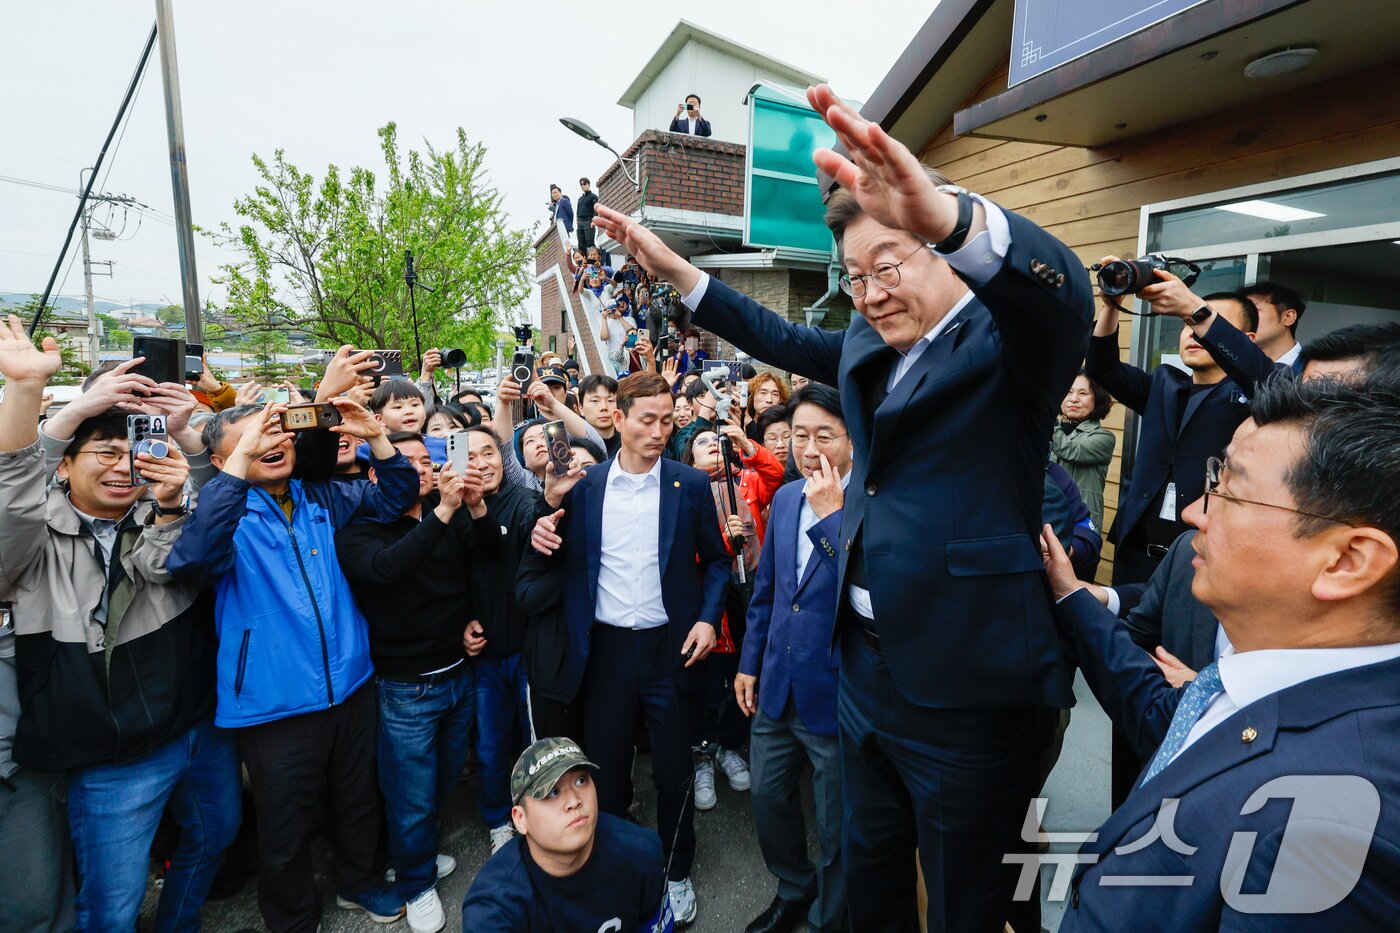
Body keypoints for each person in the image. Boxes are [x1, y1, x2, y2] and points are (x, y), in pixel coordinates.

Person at [593, 84, 1091, 930]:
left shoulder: (1008, 348)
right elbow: (781, 338)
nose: (869, 291)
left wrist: (952, 214)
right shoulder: (866, 341)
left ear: (941, 254)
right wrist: (679, 273)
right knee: (870, 878)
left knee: (971, 898)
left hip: (967, 688)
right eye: (854, 275)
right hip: (861, 670)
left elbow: (1064, 294)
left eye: (890, 263)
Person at [1046, 376, 1400, 931]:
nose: (1193, 513)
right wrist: (1072, 595)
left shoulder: (1336, 816)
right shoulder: (1254, 686)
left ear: (1347, 560)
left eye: (1228, 488)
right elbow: (1162, 717)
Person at [0, 317, 239, 933]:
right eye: (104, 452)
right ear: (62, 465)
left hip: (196, 727)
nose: (123, 467)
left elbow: (219, 522)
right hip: (112, 758)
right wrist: (42, 403)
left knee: (214, 839)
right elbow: (11, 497)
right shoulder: (34, 539)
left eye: (132, 453)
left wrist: (187, 438)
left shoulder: (161, 516)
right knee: (112, 902)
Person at [167, 399, 418, 931]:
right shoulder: (221, 516)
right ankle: (293, 918)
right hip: (271, 700)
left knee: (358, 799)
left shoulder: (320, 494)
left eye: (277, 433)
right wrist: (236, 475)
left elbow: (396, 495)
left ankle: (363, 883)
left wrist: (375, 435)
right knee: (283, 827)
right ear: (220, 462)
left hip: (351, 682)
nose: (271, 444)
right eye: (252, 440)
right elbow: (192, 560)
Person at [529, 372, 729, 925]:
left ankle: (677, 870)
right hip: (606, 650)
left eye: (668, 420)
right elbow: (548, 548)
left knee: (672, 769)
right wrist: (538, 531)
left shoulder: (687, 485)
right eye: (647, 420)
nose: (660, 431)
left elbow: (716, 562)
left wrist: (709, 619)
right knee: (607, 770)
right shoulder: (586, 487)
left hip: (671, 647)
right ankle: (611, 867)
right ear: (617, 419)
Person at [335, 433, 498, 933]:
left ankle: (416, 858)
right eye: (408, 464)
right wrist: (446, 512)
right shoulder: (359, 530)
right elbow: (391, 569)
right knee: (411, 795)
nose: (422, 471)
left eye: (428, 462)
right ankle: (415, 883)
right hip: (405, 687)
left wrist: (472, 508)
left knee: (445, 777)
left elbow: (483, 558)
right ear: (376, 475)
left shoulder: (439, 513)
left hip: (457, 672)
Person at [735, 384, 852, 933]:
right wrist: (749, 663)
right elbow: (769, 592)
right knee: (767, 797)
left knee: (836, 823)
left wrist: (833, 517)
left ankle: (830, 916)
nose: (809, 449)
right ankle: (793, 886)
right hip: (776, 684)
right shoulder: (784, 499)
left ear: (852, 440)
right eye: (800, 435)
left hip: (834, 692)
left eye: (824, 436)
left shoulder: (869, 507)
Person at [1087, 275, 1274, 588]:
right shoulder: (1164, 385)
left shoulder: (1257, 397)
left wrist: (1195, 308)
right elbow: (1101, 369)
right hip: (1136, 554)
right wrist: (1112, 305)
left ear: (1245, 340)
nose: (1194, 332)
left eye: (1204, 322)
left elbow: (1263, 375)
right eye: (1188, 323)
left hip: (1202, 558)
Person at [678, 410, 784, 811]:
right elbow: (686, 555)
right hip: (706, 605)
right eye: (701, 443)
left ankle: (729, 746)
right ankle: (702, 753)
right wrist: (724, 541)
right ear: (688, 459)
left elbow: (775, 474)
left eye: (715, 441)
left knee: (745, 671)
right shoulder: (684, 493)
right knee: (707, 680)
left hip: (748, 594)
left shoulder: (747, 481)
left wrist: (745, 445)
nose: (711, 446)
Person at [461, 737, 674, 931]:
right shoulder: (493, 910)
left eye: (581, 780)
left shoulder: (641, 855)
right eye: (552, 792)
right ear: (520, 819)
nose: (574, 801)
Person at [455, 425, 549, 853]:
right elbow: (446, 576)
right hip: (483, 654)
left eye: (489, 453)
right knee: (490, 745)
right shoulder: (448, 510)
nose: (480, 464)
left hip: (528, 647)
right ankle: (497, 821)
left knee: (535, 740)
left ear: (503, 457)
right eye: (469, 457)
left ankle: (541, 813)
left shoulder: (525, 501)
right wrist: (462, 622)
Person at [1051, 370, 1116, 530]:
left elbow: (1070, 449)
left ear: (1097, 399)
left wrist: (1045, 417)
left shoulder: (1104, 437)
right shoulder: (1053, 429)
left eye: (1083, 393)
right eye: (1068, 392)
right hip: (1046, 518)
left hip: (1080, 526)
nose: (1073, 399)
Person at [1242, 280, 1307, 371]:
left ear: (1288, 317)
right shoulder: (1231, 368)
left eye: (1253, 310)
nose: (1243, 319)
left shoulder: (1317, 369)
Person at [578, 373, 620, 458]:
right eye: (595, 401)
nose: (604, 407)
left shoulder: (630, 442)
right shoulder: (575, 448)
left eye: (610, 400)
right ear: (581, 408)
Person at [746, 372, 790, 441]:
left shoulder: (788, 426)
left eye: (775, 394)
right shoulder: (740, 424)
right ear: (752, 396)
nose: (769, 400)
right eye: (763, 393)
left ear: (780, 400)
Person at [755, 405, 792, 473]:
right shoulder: (756, 476)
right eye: (772, 438)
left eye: (786, 436)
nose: (780, 445)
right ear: (762, 444)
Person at [576, 177, 598, 251]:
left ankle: (594, 259)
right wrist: (577, 220)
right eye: (581, 184)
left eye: (584, 184)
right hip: (580, 222)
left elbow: (596, 209)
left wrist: (594, 220)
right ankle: (582, 260)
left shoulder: (593, 196)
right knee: (581, 243)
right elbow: (578, 210)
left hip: (589, 221)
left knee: (590, 242)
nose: (582, 186)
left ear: (588, 185)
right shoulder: (580, 199)